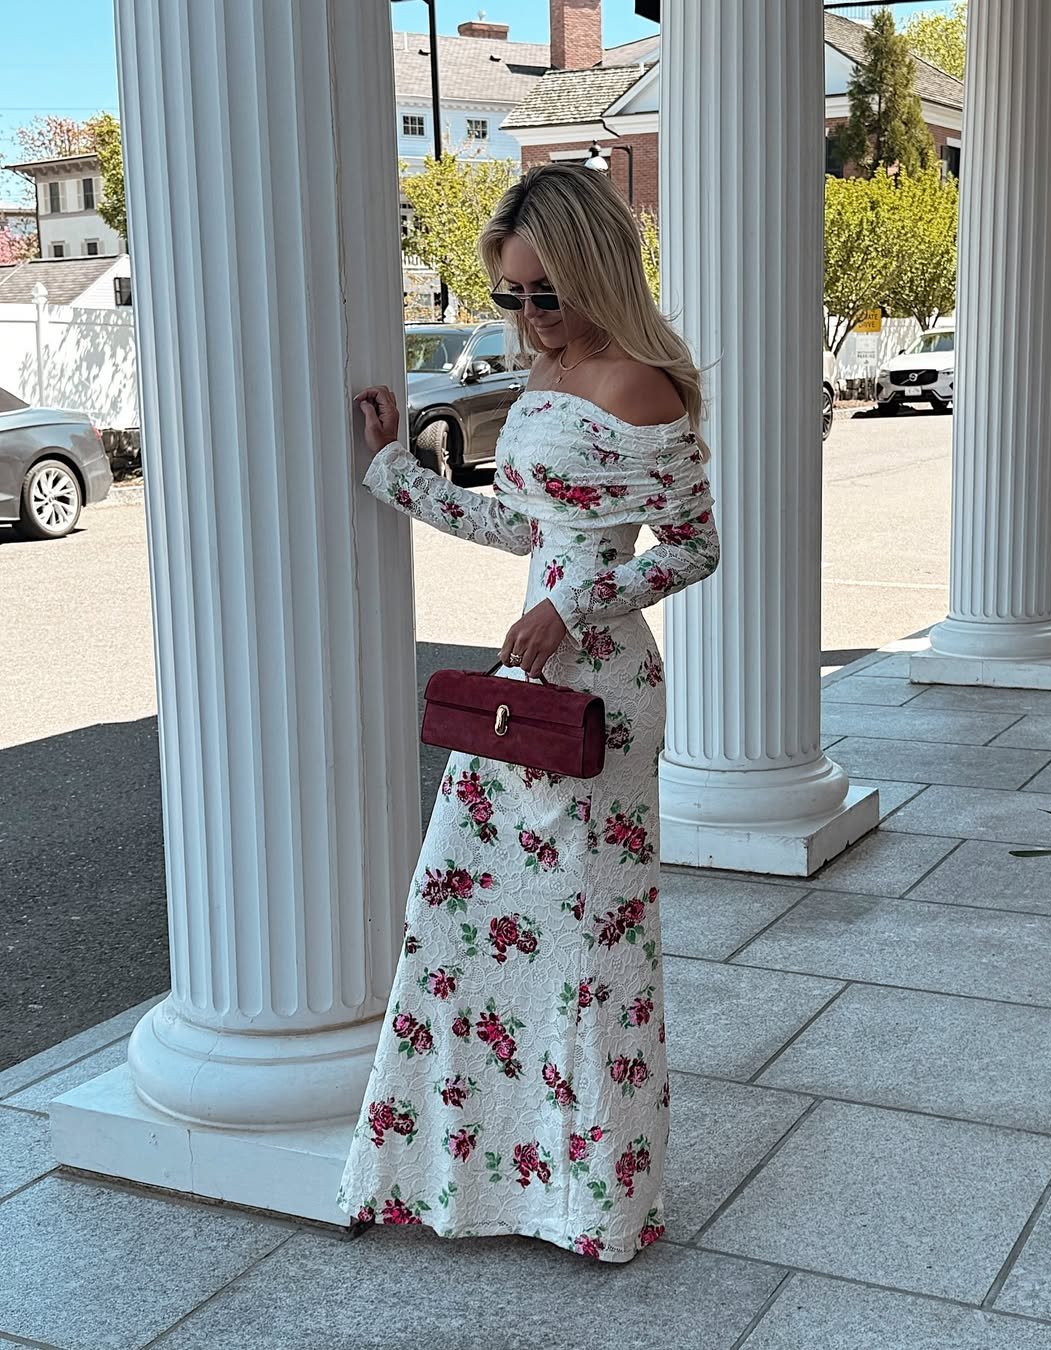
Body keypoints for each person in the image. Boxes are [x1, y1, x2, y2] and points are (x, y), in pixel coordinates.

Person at [337, 162, 720, 1263]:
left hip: (600, 697)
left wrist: (572, 604)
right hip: (527, 688)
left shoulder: (642, 385)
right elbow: (520, 529)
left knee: (590, 941)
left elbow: (696, 548)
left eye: (545, 293)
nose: (528, 313)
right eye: (510, 293)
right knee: (459, 918)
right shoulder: (546, 374)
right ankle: (466, 1175)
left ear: (596, 271)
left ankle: (593, 1203)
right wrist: (398, 472)